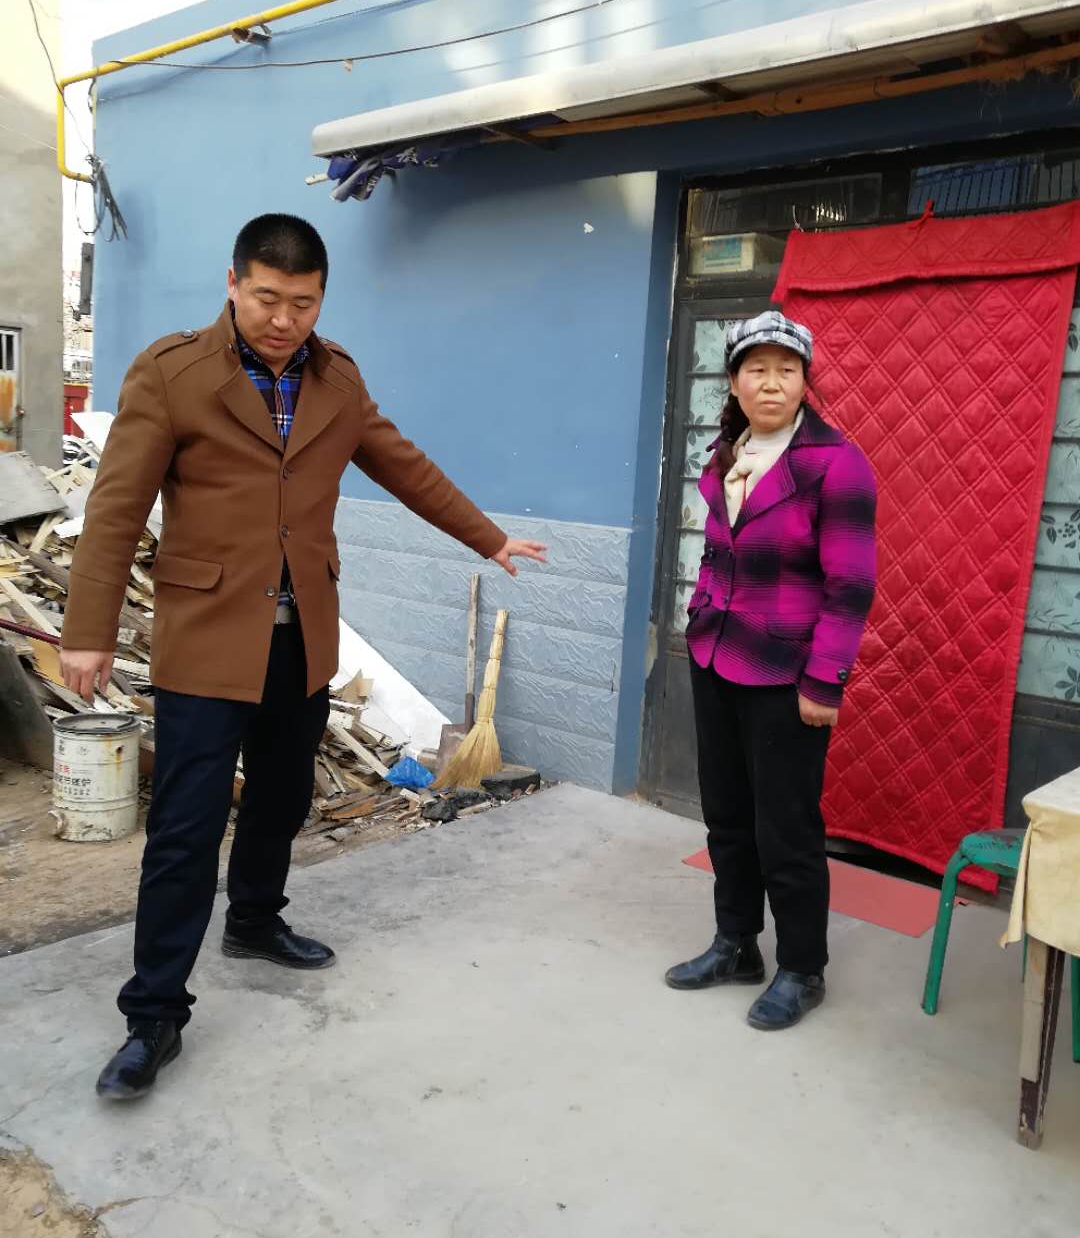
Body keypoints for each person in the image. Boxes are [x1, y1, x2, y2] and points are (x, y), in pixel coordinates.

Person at [60, 213, 547, 1099]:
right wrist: (87, 630)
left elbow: (403, 465)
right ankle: (154, 1014)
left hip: (302, 637)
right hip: (207, 640)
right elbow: (117, 506)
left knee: (283, 798)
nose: (284, 319)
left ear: (322, 299)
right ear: (233, 284)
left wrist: (488, 537)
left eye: (304, 303)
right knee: (185, 829)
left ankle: (254, 920)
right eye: (267, 298)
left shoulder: (338, 379)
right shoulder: (172, 373)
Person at [665, 311, 876, 1030]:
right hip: (715, 657)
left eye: (787, 370)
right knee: (726, 816)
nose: (772, 383)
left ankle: (802, 968)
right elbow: (716, 553)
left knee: (785, 826)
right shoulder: (727, 454)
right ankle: (736, 945)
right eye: (756, 369)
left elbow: (851, 586)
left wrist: (825, 680)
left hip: (787, 673)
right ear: (734, 381)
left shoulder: (836, 465)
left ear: (805, 381)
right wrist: (699, 611)